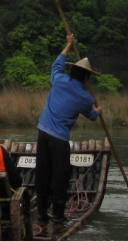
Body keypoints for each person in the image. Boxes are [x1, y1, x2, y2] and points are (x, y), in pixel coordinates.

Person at [35, 33, 101, 224]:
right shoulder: (86, 98)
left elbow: (57, 64)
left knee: (43, 173)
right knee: (60, 176)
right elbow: (92, 116)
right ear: (86, 78)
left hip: (43, 133)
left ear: (72, 72)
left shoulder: (59, 80)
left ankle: (40, 214)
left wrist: (68, 45)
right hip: (60, 139)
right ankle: (57, 215)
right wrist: (98, 111)